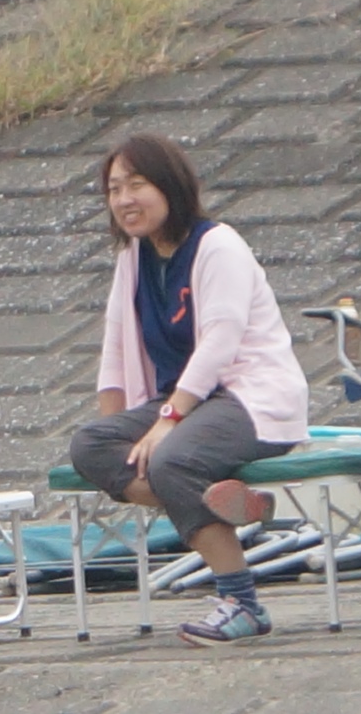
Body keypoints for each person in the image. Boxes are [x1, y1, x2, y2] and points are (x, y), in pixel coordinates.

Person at [70, 133, 309, 646]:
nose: (124, 199)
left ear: (171, 186)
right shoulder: (133, 257)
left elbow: (221, 341)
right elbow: (116, 345)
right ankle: (223, 503)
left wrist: (169, 420)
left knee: (171, 461)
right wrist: (116, 430)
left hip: (249, 397)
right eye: (114, 189)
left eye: (137, 185)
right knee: (89, 445)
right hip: (183, 404)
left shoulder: (218, 245)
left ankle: (242, 603)